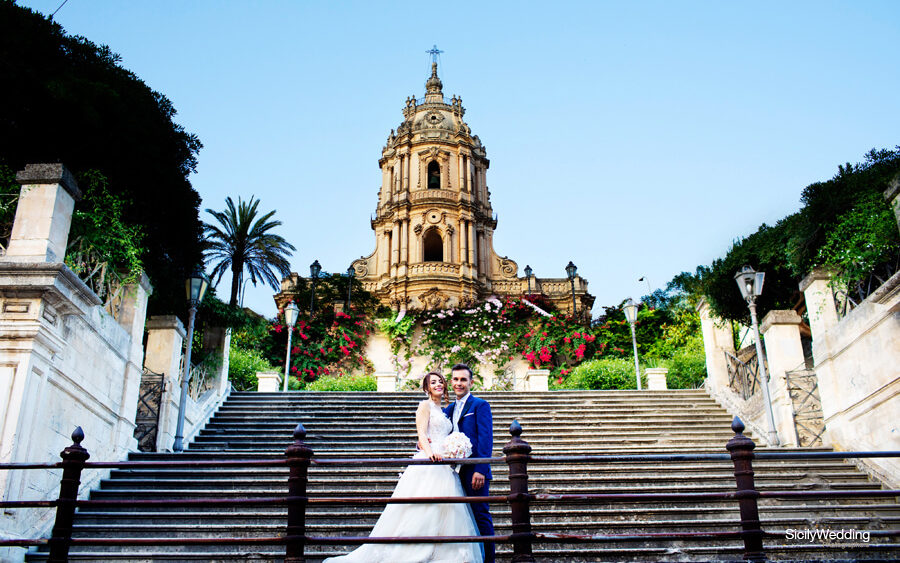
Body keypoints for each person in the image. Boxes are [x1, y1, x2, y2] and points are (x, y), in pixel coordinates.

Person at [322, 371, 483, 563]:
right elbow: (422, 434)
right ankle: (413, 550)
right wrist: (430, 452)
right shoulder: (424, 406)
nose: (438, 384)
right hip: (430, 463)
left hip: (445, 466)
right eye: (433, 382)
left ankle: (440, 552)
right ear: (427, 388)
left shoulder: (445, 410)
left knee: (445, 510)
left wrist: (454, 449)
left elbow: (443, 434)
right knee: (422, 509)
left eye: (440, 381)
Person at [443, 363, 495, 563]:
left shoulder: (480, 405)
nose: (459, 383)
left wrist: (480, 469)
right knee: (460, 517)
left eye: (463, 379)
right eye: (455, 379)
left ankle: (489, 560)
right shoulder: (448, 408)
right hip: (453, 473)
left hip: (474, 471)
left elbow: (485, 438)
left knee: (481, 515)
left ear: (471, 382)